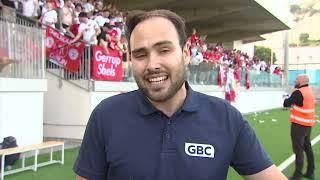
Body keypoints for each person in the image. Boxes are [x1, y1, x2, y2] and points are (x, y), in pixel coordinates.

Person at [73, 9, 286, 180]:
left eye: (164, 50)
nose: (152, 65)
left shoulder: (226, 118)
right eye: (140, 54)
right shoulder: (106, 116)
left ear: (185, 54)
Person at [283, 74, 315, 180]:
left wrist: (287, 98)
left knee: (298, 150)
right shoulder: (309, 90)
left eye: (296, 79)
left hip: (299, 125)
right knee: (307, 148)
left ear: (301, 81)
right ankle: (310, 172)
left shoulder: (298, 92)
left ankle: (297, 175)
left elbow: (286, 103)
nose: (295, 80)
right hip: (308, 124)